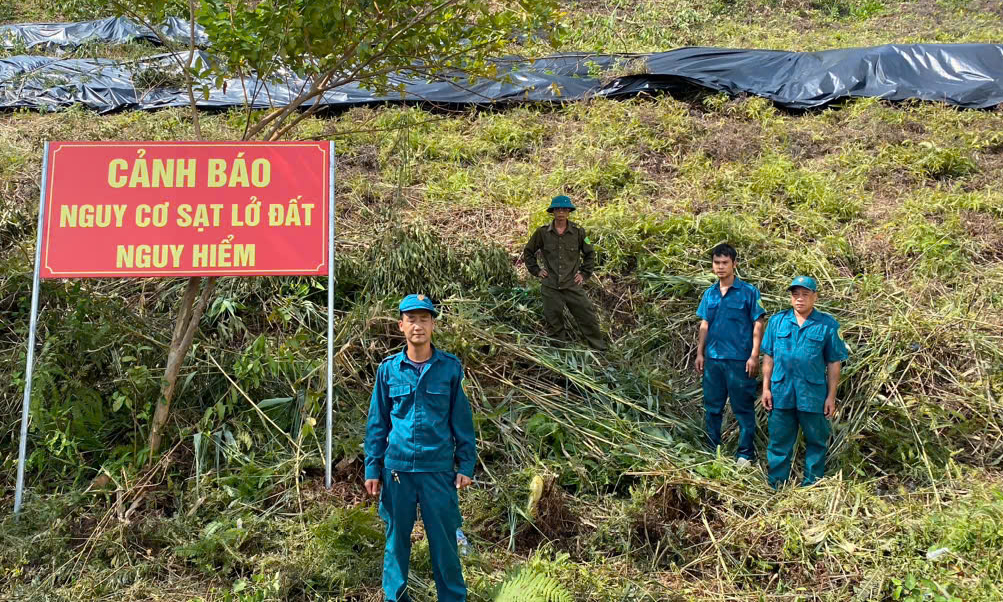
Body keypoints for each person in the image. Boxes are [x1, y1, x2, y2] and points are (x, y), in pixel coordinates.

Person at [364, 294, 476, 602]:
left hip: (438, 471)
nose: (418, 326)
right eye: (411, 320)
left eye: (424, 319)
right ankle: (395, 598)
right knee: (396, 543)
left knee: (444, 546)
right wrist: (372, 467)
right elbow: (378, 423)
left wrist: (466, 465)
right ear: (401, 326)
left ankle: (452, 598)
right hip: (397, 470)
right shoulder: (388, 370)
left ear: (433, 325)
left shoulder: (450, 369)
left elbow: (462, 421)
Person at [760, 276, 849, 488]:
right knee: (779, 442)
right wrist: (765, 388)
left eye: (805, 294)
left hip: (813, 395)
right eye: (795, 294)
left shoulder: (827, 325)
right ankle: (776, 484)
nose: (799, 299)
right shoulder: (777, 322)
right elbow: (768, 357)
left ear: (815, 297)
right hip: (781, 392)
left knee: (816, 441)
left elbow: (834, 362)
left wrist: (831, 396)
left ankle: (811, 485)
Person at [695, 244, 765, 466]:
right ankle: (712, 449)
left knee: (742, 407)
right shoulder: (710, 294)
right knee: (713, 406)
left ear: (734, 264)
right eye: (717, 263)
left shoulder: (749, 292)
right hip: (713, 360)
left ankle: (745, 453)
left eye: (725, 263)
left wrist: (754, 355)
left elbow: (758, 323)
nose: (721, 267)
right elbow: (704, 324)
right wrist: (699, 353)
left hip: (739, 361)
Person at [521, 195, 607, 350]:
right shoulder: (542, 233)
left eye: (564, 209)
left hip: (572, 285)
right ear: (553, 212)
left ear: (569, 212)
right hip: (551, 286)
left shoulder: (578, 232)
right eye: (558, 209)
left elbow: (589, 253)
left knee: (587, 316)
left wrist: (584, 273)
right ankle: (559, 352)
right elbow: (528, 251)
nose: (561, 212)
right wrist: (536, 270)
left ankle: (599, 348)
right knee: (554, 321)